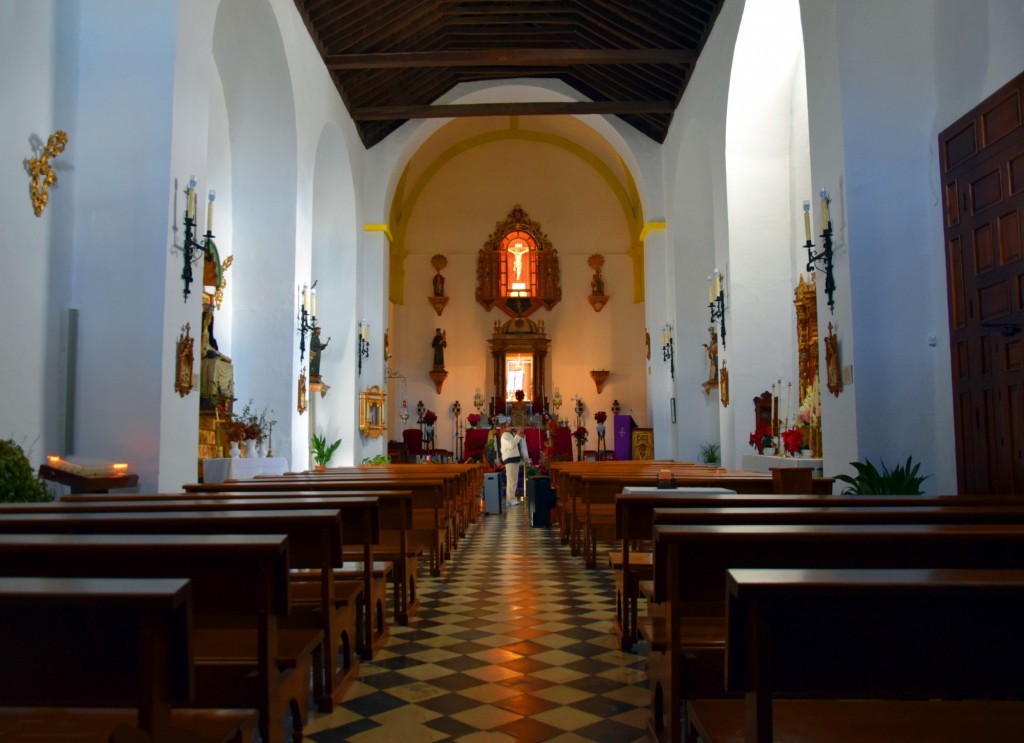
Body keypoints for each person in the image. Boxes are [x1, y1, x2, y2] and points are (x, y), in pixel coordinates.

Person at [500, 426, 530, 504]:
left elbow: (519, 442)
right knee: (511, 480)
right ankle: (510, 499)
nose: (510, 426)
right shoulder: (504, 436)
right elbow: (511, 445)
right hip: (510, 459)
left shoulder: (511, 434)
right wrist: (517, 435)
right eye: (507, 426)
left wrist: (520, 435)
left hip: (515, 459)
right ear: (504, 428)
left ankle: (512, 498)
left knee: (514, 480)